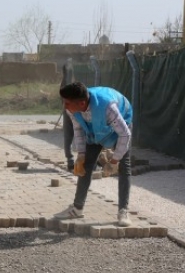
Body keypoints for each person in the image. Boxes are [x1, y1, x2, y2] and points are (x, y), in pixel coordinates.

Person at [53, 82, 133, 226]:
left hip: (120, 126)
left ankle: (123, 211)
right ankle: (77, 208)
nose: (65, 106)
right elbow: (78, 130)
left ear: (82, 102)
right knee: (86, 166)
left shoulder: (108, 108)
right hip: (94, 130)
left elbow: (125, 135)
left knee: (124, 167)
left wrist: (114, 161)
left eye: (67, 103)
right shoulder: (72, 109)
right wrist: (81, 155)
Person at [60, 58, 75, 171]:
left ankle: (71, 161)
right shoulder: (71, 81)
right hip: (75, 111)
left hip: (68, 111)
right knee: (75, 135)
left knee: (68, 136)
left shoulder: (64, 82)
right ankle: (73, 161)